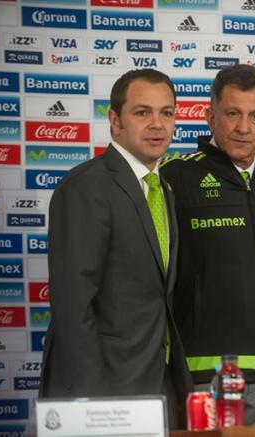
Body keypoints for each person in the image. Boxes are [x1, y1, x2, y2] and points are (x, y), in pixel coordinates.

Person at [40, 69, 193, 427]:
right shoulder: (87, 187)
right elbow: (73, 305)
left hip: (154, 382)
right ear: (115, 120)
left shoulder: (162, 189)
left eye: (167, 113)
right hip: (103, 392)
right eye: (142, 112)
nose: (157, 124)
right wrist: (96, 406)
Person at [160, 64, 255, 425]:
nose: (243, 127)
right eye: (232, 113)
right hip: (203, 374)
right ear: (210, 117)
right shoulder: (175, 176)